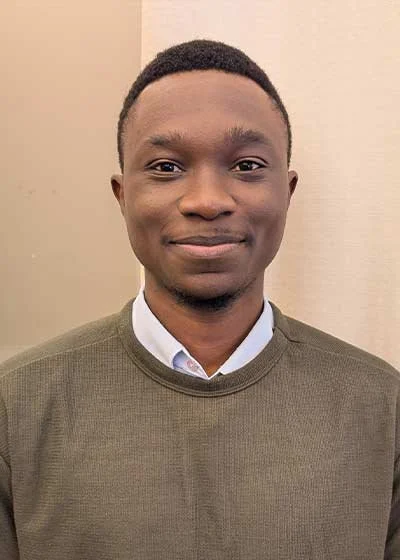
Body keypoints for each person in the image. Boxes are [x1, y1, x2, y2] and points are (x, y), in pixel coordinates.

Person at [0, 40, 399, 560]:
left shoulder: (381, 407)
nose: (208, 201)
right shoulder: (17, 406)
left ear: (288, 191)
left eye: (247, 165)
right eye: (166, 167)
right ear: (122, 196)